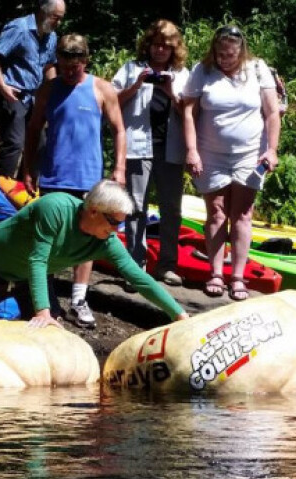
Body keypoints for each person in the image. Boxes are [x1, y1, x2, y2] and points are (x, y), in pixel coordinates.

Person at [0, 179, 189, 327]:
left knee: (46, 336)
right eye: (114, 222)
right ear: (94, 211)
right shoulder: (55, 207)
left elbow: (139, 278)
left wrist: (178, 314)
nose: (117, 230)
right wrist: (42, 312)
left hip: (27, 278)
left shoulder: (107, 240)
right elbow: (38, 259)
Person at [22, 33, 127, 329]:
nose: (70, 70)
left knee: (91, 238)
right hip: (54, 175)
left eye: (75, 64)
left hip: (89, 178)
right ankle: (47, 300)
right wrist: (29, 168)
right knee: (51, 238)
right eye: (64, 63)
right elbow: (32, 130)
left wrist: (119, 169)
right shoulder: (48, 90)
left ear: (85, 60)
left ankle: (79, 299)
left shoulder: (101, 88)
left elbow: (119, 129)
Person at [181, 25, 281, 301]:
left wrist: (272, 149)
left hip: (250, 154)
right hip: (210, 153)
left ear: (242, 52)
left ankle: (237, 276)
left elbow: (272, 113)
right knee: (215, 213)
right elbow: (188, 112)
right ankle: (215, 272)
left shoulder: (258, 69)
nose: (225, 59)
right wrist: (191, 150)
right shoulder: (202, 70)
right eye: (220, 54)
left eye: (231, 55)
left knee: (243, 214)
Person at [112, 19, 190, 287]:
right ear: (149, 45)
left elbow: (191, 114)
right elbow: (110, 102)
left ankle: (167, 266)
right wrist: (135, 86)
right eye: (156, 45)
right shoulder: (131, 68)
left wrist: (170, 93)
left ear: (173, 49)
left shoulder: (182, 75)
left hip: (171, 149)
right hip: (137, 146)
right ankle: (136, 268)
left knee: (172, 209)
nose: (160, 50)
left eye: (166, 46)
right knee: (135, 208)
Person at [0, 0, 65, 178]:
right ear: (43, 12)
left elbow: (49, 66)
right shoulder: (19, 28)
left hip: (35, 97)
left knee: (39, 145)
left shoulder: (51, 36)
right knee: (14, 143)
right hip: (14, 93)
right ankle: (0, 190)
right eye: (55, 17)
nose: (58, 23)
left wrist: (53, 92)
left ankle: (24, 188)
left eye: (61, 19)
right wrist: (2, 85)